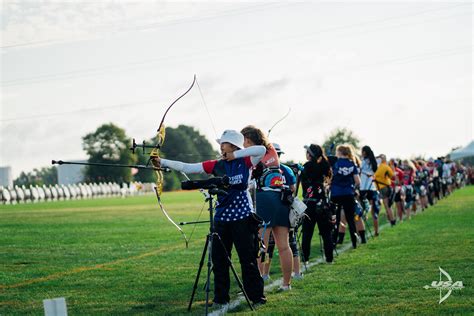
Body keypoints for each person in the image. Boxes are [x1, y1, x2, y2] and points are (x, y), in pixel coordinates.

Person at [152, 129, 266, 306]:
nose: (221, 146)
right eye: (220, 143)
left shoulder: (246, 161)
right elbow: (187, 167)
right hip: (221, 218)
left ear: (234, 145)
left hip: (243, 218)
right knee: (219, 260)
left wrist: (235, 154)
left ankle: (257, 297)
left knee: (247, 259)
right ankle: (221, 298)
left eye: (224, 143)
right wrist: (162, 161)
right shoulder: (215, 164)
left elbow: (261, 150)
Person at [241, 126, 293, 291]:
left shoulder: (256, 152)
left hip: (264, 200)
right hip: (281, 200)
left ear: (248, 139)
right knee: (284, 246)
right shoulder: (271, 150)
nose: (242, 145)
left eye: (243, 140)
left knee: (260, 246)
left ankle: (257, 287)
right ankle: (286, 284)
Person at [261, 143, 303, 281]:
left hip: (265, 209)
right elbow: (293, 190)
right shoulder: (287, 170)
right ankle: (286, 283)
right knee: (284, 247)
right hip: (283, 209)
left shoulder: (259, 169)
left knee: (263, 248)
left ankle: (261, 278)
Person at [300, 144, 335, 262]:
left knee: (307, 233)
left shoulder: (306, 166)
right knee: (326, 233)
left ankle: (305, 258)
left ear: (310, 154)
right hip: (322, 203)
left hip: (309, 204)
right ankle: (329, 258)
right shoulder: (324, 165)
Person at [328, 145, 361, 249]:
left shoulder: (335, 163)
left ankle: (333, 242)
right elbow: (358, 181)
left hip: (336, 194)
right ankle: (354, 242)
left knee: (335, 219)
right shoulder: (352, 163)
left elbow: (329, 179)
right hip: (348, 194)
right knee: (350, 219)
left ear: (340, 152)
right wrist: (352, 188)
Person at [358, 145, 380, 242]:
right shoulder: (374, 161)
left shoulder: (362, 161)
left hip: (364, 188)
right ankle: (376, 231)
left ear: (364, 152)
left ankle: (361, 233)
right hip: (372, 188)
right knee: (373, 211)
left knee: (361, 210)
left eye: (362, 151)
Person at [374, 154, 396, 229]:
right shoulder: (385, 166)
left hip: (383, 188)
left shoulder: (377, 166)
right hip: (384, 187)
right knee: (387, 205)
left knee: (387, 206)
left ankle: (392, 221)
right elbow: (392, 176)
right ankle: (392, 220)